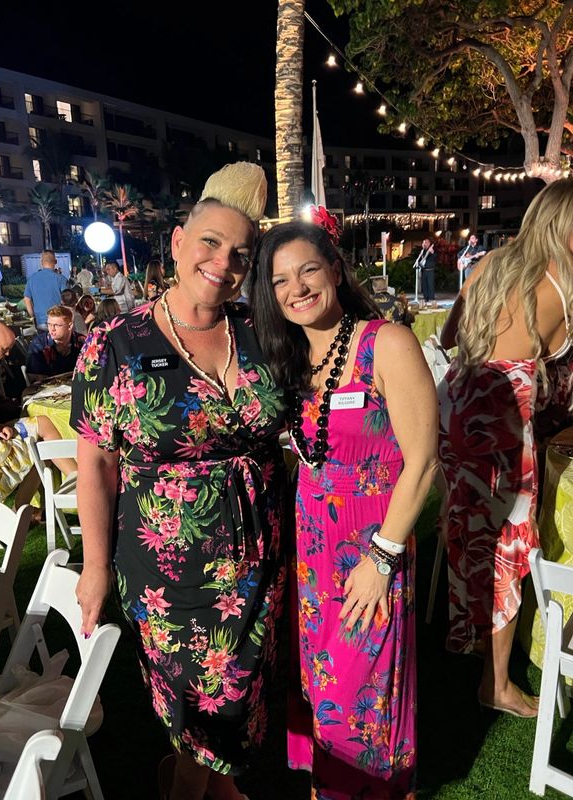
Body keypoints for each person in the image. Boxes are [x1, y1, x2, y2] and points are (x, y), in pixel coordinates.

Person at [71, 162, 288, 800]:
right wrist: (93, 564)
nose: (223, 262)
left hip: (258, 548)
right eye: (211, 243)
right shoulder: (115, 341)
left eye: (241, 254)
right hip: (166, 562)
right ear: (177, 243)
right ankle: (194, 789)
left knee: (245, 686)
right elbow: (97, 462)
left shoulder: (261, 329)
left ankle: (202, 784)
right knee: (198, 696)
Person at [250, 221, 438, 800]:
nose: (296, 288)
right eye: (280, 280)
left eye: (308, 269)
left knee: (363, 690)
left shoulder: (385, 342)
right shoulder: (293, 358)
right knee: (320, 688)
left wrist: (381, 559)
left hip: (370, 549)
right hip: (312, 554)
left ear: (335, 269)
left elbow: (425, 461)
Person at [438, 178, 573, 718]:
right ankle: (495, 684)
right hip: (499, 422)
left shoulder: (491, 263)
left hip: (456, 404)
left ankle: (464, 638)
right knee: (507, 550)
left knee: (468, 530)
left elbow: (449, 337)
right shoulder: (564, 284)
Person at [0, 324, 76, 510]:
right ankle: (80, 486)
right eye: (4, 350)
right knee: (39, 435)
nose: (6, 355)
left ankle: (26, 508)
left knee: (42, 436)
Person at [26, 305, 86, 382]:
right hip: (47, 389)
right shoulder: (39, 344)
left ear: (70, 326)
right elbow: (34, 377)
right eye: (49, 324)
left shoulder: (82, 342)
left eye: (57, 325)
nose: (52, 329)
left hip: (77, 385)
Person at [24, 250, 68, 330]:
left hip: (40, 321)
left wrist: (33, 315)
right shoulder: (61, 279)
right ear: (55, 261)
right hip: (57, 321)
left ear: (41, 262)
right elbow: (67, 299)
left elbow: (27, 299)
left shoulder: (32, 279)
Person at [414, 238, 437, 305]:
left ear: (429, 243)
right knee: (424, 285)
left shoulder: (432, 250)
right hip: (424, 270)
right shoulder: (422, 251)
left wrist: (432, 253)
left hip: (430, 270)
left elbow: (435, 258)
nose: (425, 244)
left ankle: (431, 298)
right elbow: (419, 260)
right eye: (424, 243)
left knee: (430, 285)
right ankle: (426, 298)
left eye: (426, 243)